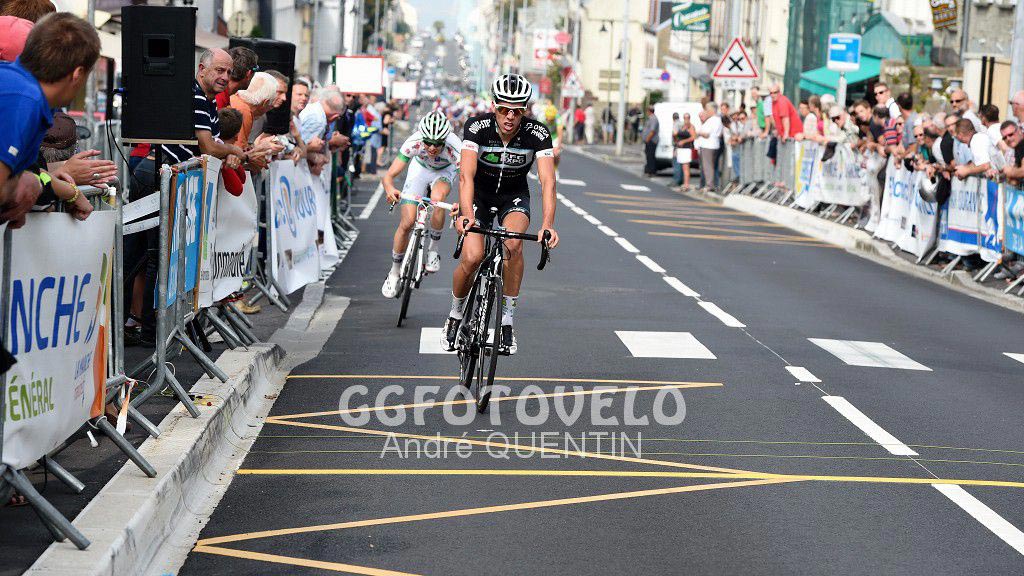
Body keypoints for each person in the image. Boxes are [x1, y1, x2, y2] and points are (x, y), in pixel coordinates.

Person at [442, 74, 560, 355]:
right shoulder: (477, 127)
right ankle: (456, 314)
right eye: (504, 109)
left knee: (514, 244)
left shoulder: (538, 133)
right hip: (480, 195)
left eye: (517, 110)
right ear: (493, 106)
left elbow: (548, 181)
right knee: (471, 257)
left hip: (513, 195)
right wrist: (467, 214)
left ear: (525, 111)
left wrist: (547, 225)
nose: (510, 116)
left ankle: (506, 321)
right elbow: (466, 177)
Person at [0, 12, 99, 230]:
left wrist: (59, 190)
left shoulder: (21, 88)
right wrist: (27, 185)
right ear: (78, 74)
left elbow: (30, 172)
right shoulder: (24, 100)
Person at [380, 111, 462, 297]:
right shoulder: (414, 142)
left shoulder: (454, 147)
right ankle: (394, 272)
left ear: (445, 140)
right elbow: (389, 176)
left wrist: (463, 202)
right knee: (407, 223)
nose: (432, 148)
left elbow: (467, 179)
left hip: (444, 171)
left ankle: (433, 249)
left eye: (437, 144)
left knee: (438, 198)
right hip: (420, 169)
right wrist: (390, 189)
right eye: (428, 143)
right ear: (422, 138)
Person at [695, 102, 722, 191]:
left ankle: (709, 185)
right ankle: (711, 184)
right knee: (709, 166)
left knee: (708, 166)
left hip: (708, 145)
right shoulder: (716, 119)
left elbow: (706, 134)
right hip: (712, 145)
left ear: (711, 110)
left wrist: (698, 132)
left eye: (707, 109)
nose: (706, 111)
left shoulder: (713, 120)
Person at [674, 113, 695, 189]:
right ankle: (684, 183)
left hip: (687, 148)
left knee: (686, 167)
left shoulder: (691, 127)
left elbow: (693, 137)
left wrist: (684, 141)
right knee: (683, 167)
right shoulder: (682, 126)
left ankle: (686, 184)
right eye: (685, 118)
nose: (686, 119)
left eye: (687, 117)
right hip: (681, 149)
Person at [542, 103, 564, 172]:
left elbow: (560, 133)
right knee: (541, 154)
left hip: (555, 136)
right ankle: (542, 170)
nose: (549, 120)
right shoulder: (541, 117)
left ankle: (555, 169)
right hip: (545, 136)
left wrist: (559, 145)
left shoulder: (558, 118)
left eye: (551, 119)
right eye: (548, 119)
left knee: (556, 154)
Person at [641, 105, 659, 176]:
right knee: (648, 156)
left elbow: (652, 131)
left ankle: (651, 171)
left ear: (649, 111)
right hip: (649, 140)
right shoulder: (650, 118)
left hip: (651, 141)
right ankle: (648, 170)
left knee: (651, 156)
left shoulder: (653, 119)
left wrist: (647, 139)